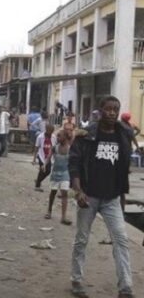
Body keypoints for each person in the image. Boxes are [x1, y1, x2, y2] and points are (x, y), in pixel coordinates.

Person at [69, 96, 134, 298]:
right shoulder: (87, 135)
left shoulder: (123, 133)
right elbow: (75, 164)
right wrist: (78, 191)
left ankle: (125, 288)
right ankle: (77, 280)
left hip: (112, 198)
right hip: (89, 196)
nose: (112, 113)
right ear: (101, 110)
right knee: (82, 239)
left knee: (121, 240)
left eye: (116, 109)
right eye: (108, 109)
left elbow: (128, 154)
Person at [46, 129, 72, 225]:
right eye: (57, 136)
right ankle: (49, 211)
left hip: (65, 173)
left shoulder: (70, 149)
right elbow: (49, 157)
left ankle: (63, 217)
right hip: (56, 173)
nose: (58, 138)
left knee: (64, 193)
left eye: (59, 136)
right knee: (53, 192)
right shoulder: (55, 148)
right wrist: (45, 164)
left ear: (65, 137)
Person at [32, 124, 56, 192]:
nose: (51, 133)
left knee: (48, 171)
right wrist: (34, 159)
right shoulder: (40, 137)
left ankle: (38, 181)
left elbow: (54, 147)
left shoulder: (53, 137)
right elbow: (36, 147)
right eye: (50, 131)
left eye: (52, 131)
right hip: (41, 155)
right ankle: (37, 185)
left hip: (49, 157)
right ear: (46, 130)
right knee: (42, 170)